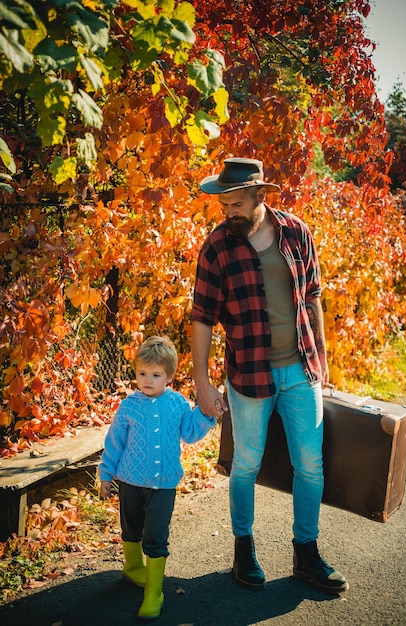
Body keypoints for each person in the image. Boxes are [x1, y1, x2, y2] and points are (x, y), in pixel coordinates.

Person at [191, 157, 348, 595]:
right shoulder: (217, 247)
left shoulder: (297, 232)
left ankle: (306, 552)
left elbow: (313, 295)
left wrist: (323, 356)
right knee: (246, 463)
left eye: (237, 203)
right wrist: (202, 382)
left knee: (310, 464)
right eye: (224, 206)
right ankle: (244, 547)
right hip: (249, 373)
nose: (229, 213)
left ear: (261, 195)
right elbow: (201, 318)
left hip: (302, 368)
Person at [99, 335, 216, 621]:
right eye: (142, 374)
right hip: (129, 481)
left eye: (155, 375)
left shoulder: (177, 404)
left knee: (155, 535)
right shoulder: (128, 406)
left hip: (163, 484)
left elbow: (190, 433)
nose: (147, 380)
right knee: (131, 528)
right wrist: (106, 473)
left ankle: (154, 592)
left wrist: (207, 413)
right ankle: (132, 568)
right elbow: (115, 441)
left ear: (169, 376)